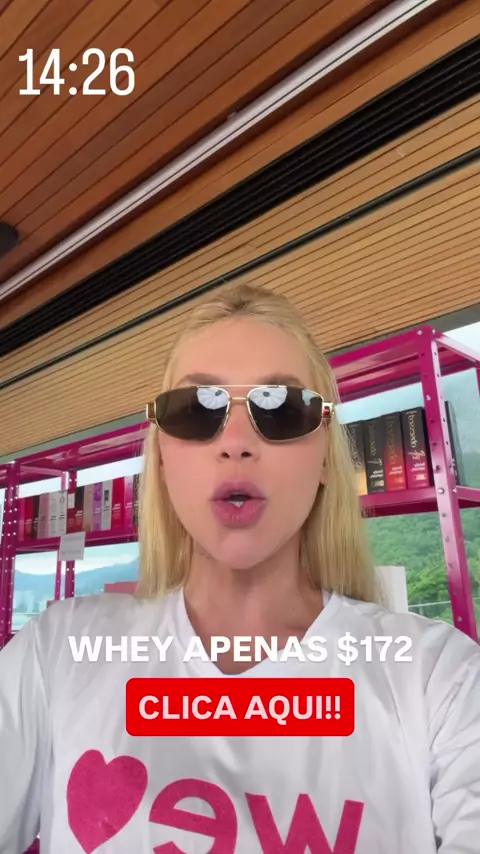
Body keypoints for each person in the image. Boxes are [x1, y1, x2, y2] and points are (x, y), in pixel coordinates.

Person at [0, 284, 479, 854]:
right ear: (161, 459)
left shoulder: (441, 682)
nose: (235, 443)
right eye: (195, 409)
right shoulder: (53, 655)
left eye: (282, 408)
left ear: (325, 458)